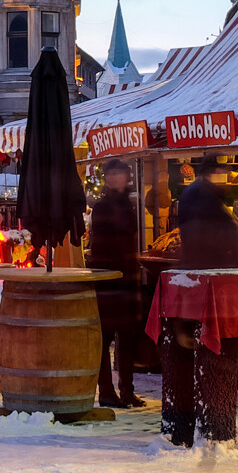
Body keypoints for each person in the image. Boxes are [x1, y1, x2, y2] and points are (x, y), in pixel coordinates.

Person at [86, 159, 143, 408]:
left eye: (118, 173)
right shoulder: (104, 207)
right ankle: (107, 391)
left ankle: (127, 390)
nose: (113, 178)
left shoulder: (129, 205)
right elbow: (106, 243)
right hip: (108, 281)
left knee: (128, 337)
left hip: (127, 279)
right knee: (105, 337)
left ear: (127, 176)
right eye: (110, 174)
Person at [176, 156, 238, 270]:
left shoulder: (192, 190)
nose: (227, 174)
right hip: (208, 263)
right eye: (226, 171)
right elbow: (226, 228)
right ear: (217, 171)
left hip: (194, 261)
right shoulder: (205, 193)